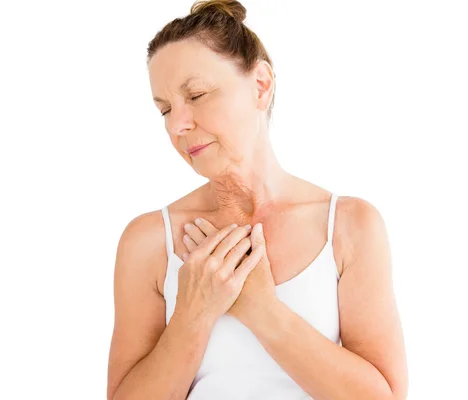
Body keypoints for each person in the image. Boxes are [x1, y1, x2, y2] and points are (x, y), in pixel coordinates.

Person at [106, 1, 408, 399]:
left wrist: (263, 311)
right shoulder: (148, 241)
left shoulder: (349, 226)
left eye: (196, 95)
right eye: (164, 109)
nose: (177, 125)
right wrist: (193, 315)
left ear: (261, 86)